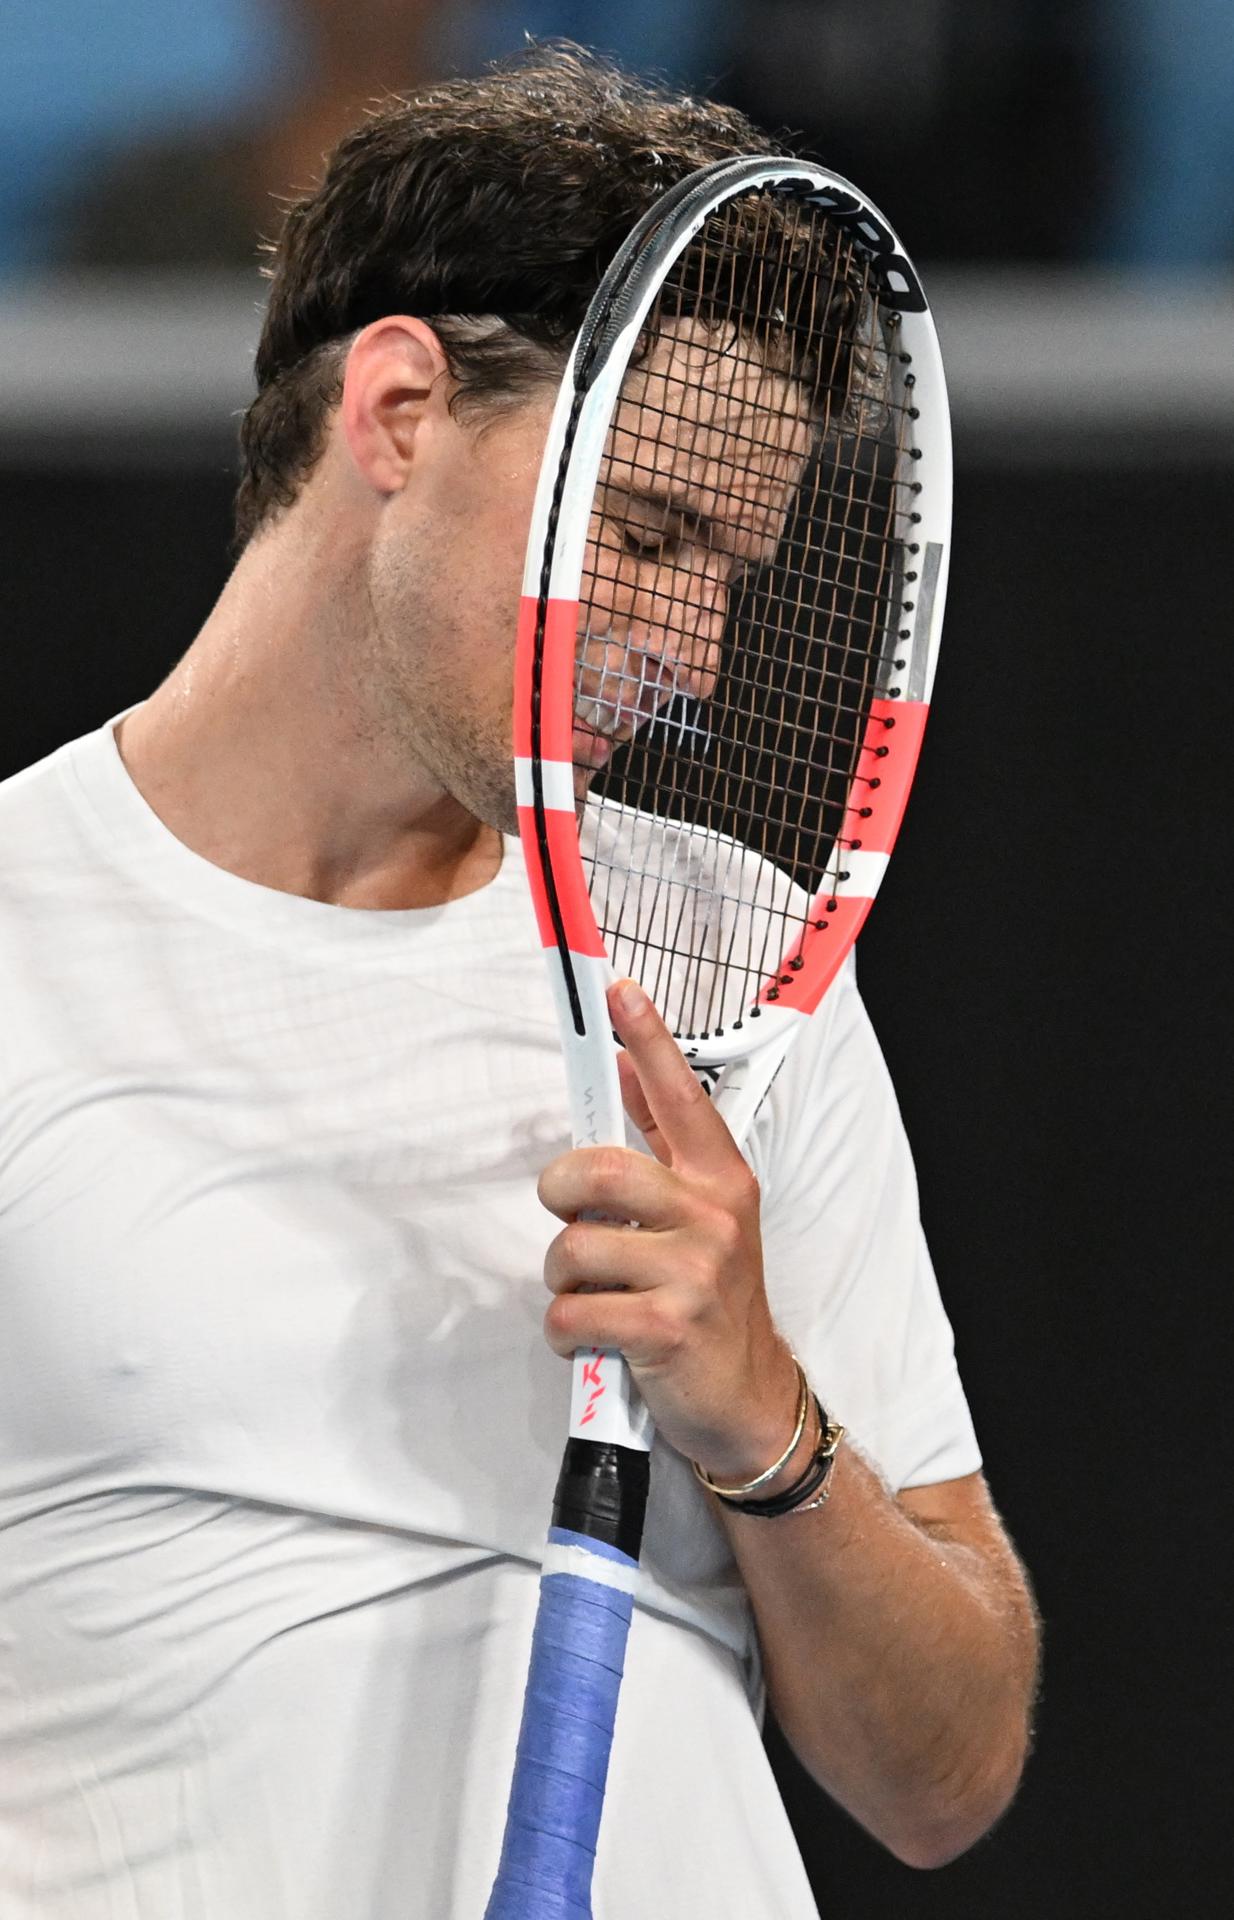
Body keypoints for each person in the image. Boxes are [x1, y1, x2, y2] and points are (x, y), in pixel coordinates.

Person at [0, 46, 1040, 1920]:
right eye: (640, 535)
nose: (693, 649)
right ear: (397, 405)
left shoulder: (729, 950)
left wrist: (763, 1423)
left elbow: (945, 1778)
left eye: (733, 571)